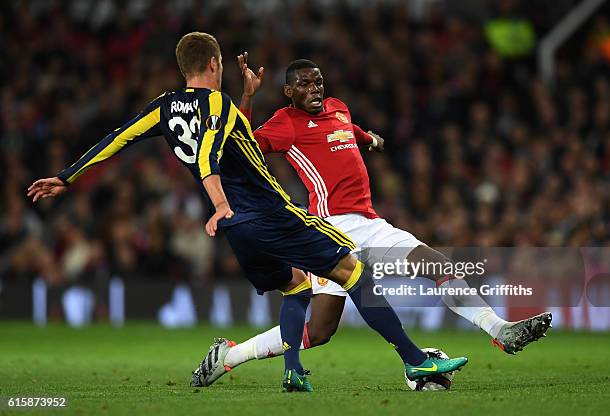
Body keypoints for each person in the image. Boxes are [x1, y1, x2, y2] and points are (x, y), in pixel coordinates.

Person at [27, 33, 468, 393]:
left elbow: (119, 136)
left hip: (237, 228)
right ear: (215, 63)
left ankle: (284, 368)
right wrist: (219, 201)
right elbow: (208, 155)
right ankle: (415, 363)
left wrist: (67, 176)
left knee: (296, 290)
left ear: (185, 67)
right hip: (270, 212)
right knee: (354, 272)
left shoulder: (165, 106)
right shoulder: (216, 105)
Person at [196, 55, 551, 387]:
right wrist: (246, 96)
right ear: (289, 92)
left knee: (437, 264)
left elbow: (351, 130)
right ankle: (231, 354)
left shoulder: (338, 109)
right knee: (319, 331)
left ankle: (499, 330)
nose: (315, 89)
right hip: (329, 228)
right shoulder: (285, 124)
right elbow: (240, 145)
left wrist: (372, 139)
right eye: (305, 84)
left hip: (372, 224)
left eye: (318, 82)